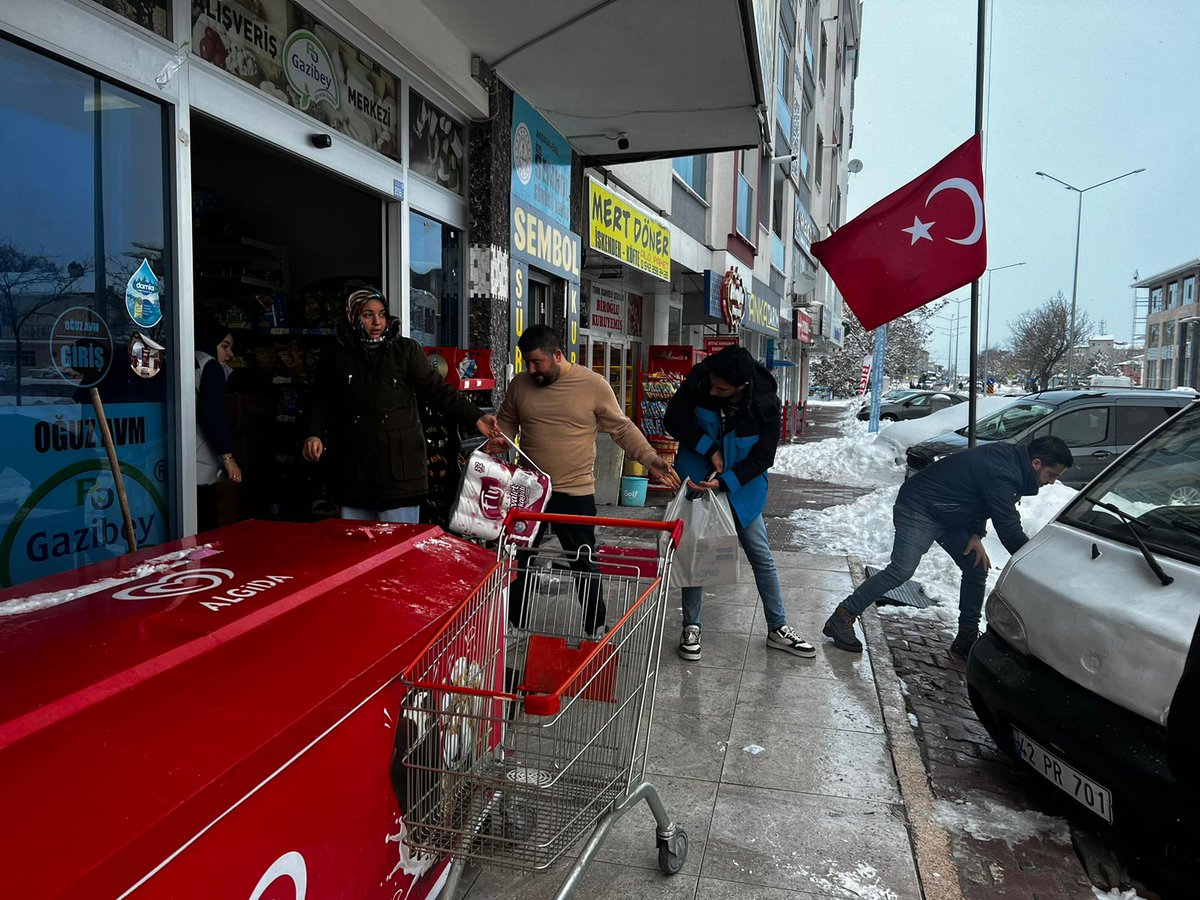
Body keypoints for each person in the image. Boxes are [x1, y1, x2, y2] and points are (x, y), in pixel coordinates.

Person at [493, 325, 680, 633]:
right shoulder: (520, 385)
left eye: (537, 362)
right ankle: (513, 625)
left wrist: (650, 459)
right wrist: (500, 438)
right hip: (531, 490)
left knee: (583, 561)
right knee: (519, 559)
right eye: (527, 362)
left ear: (557, 355)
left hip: (574, 491)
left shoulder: (593, 385)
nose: (532, 370)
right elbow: (508, 422)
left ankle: (595, 627)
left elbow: (622, 428)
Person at [823, 435, 1074, 657]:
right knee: (901, 569)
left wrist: (976, 535)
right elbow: (1008, 528)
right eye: (1051, 475)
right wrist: (1033, 565)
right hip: (919, 507)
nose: (1052, 482)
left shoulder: (1010, 464)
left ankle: (966, 636)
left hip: (950, 513)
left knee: (976, 566)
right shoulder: (1004, 470)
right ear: (1036, 463)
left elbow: (981, 497)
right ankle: (842, 616)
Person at [664, 345, 816, 661]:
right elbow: (674, 420)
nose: (713, 392)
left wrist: (727, 481)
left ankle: (778, 627)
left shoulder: (765, 404)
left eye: (722, 389)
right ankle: (691, 626)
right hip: (699, 480)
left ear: (742, 386)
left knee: (760, 555)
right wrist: (709, 449)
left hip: (742, 487)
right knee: (697, 553)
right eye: (712, 384)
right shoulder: (700, 381)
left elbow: (763, 457)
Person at [303, 288, 500, 523]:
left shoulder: (405, 350)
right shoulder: (338, 355)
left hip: (399, 471)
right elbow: (320, 399)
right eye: (367, 315)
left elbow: (438, 391)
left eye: (382, 314)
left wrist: (476, 417)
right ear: (352, 317)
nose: (377, 322)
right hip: (354, 469)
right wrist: (313, 433)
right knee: (356, 541)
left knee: (398, 541)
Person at [195, 322, 242, 531]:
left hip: (179, 461)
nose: (230, 353)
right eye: (225, 346)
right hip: (202, 461)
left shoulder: (187, 361)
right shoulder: (211, 366)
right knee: (206, 526)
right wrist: (229, 458)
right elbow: (212, 413)